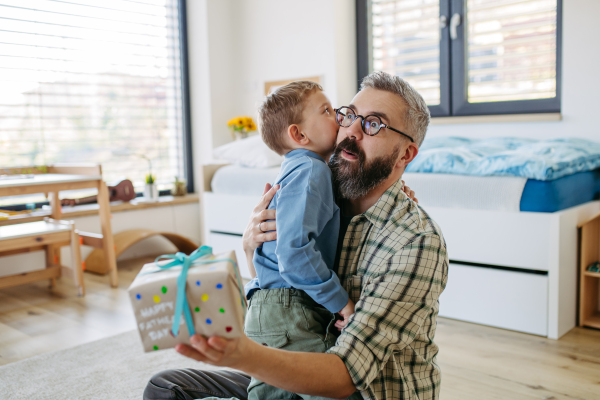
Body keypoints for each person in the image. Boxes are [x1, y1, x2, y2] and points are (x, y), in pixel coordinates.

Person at [143, 71, 448, 400]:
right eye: (349, 116)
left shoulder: (415, 242)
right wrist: (252, 250)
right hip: (312, 353)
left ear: (405, 155)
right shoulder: (325, 192)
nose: (352, 130)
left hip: (359, 388)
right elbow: (285, 284)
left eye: (373, 124)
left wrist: (243, 354)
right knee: (164, 388)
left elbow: (346, 375)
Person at [243, 80, 355, 399]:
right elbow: (293, 254)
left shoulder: (295, 168)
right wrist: (342, 303)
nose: (338, 117)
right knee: (334, 390)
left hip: (267, 306)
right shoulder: (311, 170)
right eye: (326, 110)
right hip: (290, 310)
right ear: (299, 135)